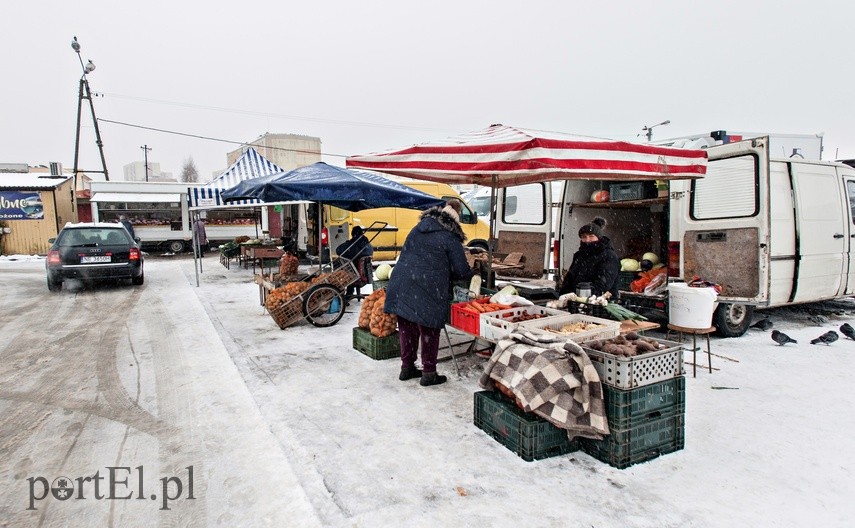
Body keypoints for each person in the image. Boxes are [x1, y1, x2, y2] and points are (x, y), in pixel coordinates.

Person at [384, 199, 474, 387]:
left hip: (402, 282)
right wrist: (472, 272)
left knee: (407, 326)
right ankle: (429, 373)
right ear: (456, 220)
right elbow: (460, 270)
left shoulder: (418, 228)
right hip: (428, 285)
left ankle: (407, 367)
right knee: (429, 329)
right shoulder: (450, 236)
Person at [558, 216, 620, 298]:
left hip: (600, 302)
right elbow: (570, 278)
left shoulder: (609, 256)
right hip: (577, 301)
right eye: (584, 237)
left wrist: (583, 296)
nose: (587, 240)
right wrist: (564, 295)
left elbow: (603, 284)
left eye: (591, 236)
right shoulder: (579, 255)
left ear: (599, 237)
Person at [335, 225, 374, 299]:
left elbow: (338, 250)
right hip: (365, 273)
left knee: (343, 270)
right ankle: (349, 291)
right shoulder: (368, 245)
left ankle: (345, 293)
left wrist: (348, 242)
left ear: (353, 235)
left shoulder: (352, 245)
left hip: (354, 274)